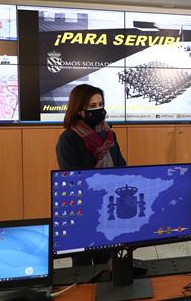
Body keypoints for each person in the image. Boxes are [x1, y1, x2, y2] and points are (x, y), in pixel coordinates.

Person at [56, 84, 126, 265]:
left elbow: (122, 167)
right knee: (83, 268)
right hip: (83, 213)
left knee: (108, 262)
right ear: (79, 110)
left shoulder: (110, 136)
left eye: (100, 104)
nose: (98, 109)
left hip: (111, 209)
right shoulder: (68, 139)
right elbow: (73, 181)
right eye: (92, 106)